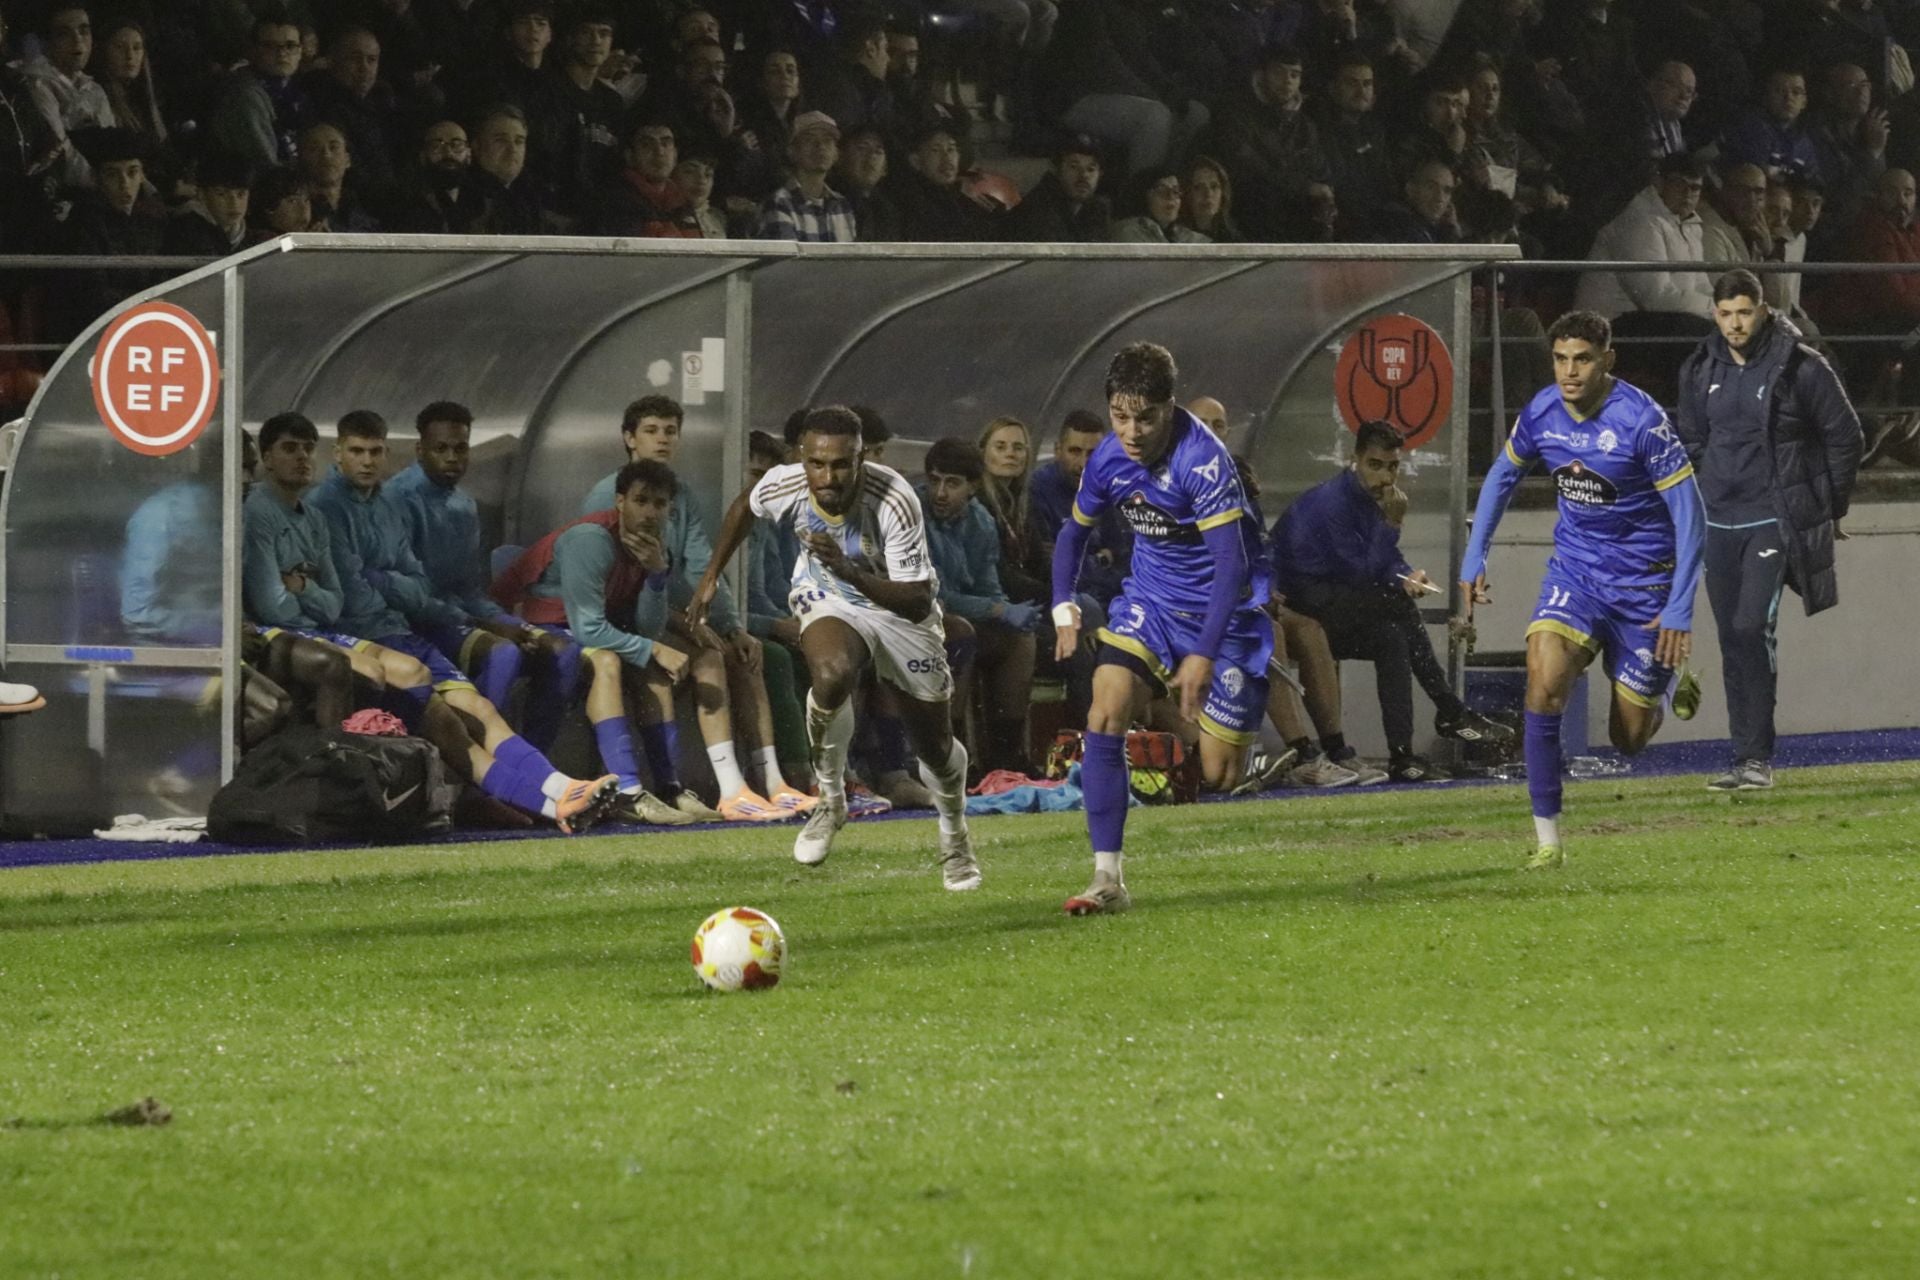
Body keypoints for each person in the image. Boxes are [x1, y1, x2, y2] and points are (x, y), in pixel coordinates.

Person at [244, 411, 618, 832]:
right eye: (356, 451)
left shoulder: (363, 507)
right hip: (356, 635)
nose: (366, 460)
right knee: (451, 709)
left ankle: (560, 789)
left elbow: (360, 594)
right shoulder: (307, 507)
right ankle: (529, 802)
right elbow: (301, 603)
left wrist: (309, 587)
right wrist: (325, 593)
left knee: (478, 708)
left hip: (390, 627)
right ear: (339, 454)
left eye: (374, 451)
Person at [691, 407, 982, 888]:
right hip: (828, 596)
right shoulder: (786, 483)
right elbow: (745, 504)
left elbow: (914, 600)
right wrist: (709, 577)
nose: (828, 476)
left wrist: (851, 572)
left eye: (841, 464)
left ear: (861, 458)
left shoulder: (895, 499)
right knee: (830, 674)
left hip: (897, 610)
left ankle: (955, 838)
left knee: (934, 747)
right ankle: (830, 799)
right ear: (802, 458)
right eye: (817, 464)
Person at [1459, 310, 1707, 869]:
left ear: (1607, 360)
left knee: (1629, 736)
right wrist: (1475, 556)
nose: (1569, 371)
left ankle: (1658, 692)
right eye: (1561, 359)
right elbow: (1502, 474)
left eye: (1583, 359)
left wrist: (1679, 607)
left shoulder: (1642, 420)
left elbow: (1692, 515)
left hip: (1646, 585)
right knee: (1543, 679)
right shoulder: (1542, 412)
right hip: (1577, 573)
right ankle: (1548, 840)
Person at [1048, 343, 1269, 915]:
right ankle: (1107, 878)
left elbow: (1231, 565)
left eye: (1145, 416)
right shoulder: (1107, 457)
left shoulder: (1204, 461)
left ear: (1170, 407)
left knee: (1220, 773)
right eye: (1120, 416)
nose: (1132, 430)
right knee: (1106, 704)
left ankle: (1219, 712)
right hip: (1150, 602)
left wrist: (1203, 653)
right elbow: (1073, 535)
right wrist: (1062, 606)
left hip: (1222, 612)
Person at [495, 462, 801, 823]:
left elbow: (647, 626)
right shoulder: (591, 539)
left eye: (659, 504)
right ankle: (627, 789)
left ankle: (669, 787)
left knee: (652, 669)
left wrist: (657, 576)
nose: (650, 512)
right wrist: (654, 648)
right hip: (535, 625)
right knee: (609, 661)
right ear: (620, 501)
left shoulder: (654, 546)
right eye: (641, 501)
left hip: (587, 630)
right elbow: (588, 628)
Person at [1675, 271, 1862, 792]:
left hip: (1770, 518)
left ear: (1762, 310)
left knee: (1750, 626)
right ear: (1715, 313)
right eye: (1727, 313)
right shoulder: (1698, 368)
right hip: (1717, 519)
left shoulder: (1801, 366)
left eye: (1745, 312)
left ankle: (1756, 759)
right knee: (1732, 637)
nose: (1736, 323)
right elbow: (1689, 437)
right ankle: (1744, 759)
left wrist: (1827, 507)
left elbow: (1845, 436)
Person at [578, 397, 807, 811]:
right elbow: (624, 588)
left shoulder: (681, 493)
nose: (662, 440)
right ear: (629, 438)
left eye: (670, 431)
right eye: (651, 431)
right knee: (708, 657)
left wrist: (731, 625)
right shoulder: (609, 495)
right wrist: (687, 623)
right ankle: (728, 787)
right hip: (624, 623)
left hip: (661, 611)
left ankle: (774, 781)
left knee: (743, 651)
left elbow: (701, 569)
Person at [1273, 421, 1509, 781]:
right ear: (1355, 460)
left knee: (1391, 638)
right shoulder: (1333, 502)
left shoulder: (1372, 498)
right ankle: (1449, 710)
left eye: (1393, 466)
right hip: (1300, 605)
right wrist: (1393, 525)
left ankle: (1403, 757)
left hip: (1333, 604)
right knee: (1394, 605)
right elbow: (1358, 571)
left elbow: (1382, 563)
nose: (1385, 476)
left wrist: (1407, 576)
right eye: (1375, 465)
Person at [387, 401, 582, 752]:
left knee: (563, 651)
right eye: (441, 448)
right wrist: (485, 624)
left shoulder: (464, 504)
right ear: (420, 450)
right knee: (503, 654)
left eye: (460, 448)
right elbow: (410, 597)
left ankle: (531, 762)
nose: (452, 458)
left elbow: (468, 587)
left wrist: (498, 618)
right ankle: (478, 763)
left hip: (461, 614)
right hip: (420, 622)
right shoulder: (399, 499)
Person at [920, 438, 1040, 774]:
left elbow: (988, 586)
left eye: (952, 483)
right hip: (923, 621)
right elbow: (935, 594)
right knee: (963, 633)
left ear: (973, 487)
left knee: (1020, 641)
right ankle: (953, 757)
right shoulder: (913, 513)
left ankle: (1006, 758)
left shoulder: (981, 522)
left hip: (962, 618)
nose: (940, 493)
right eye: (934, 481)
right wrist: (999, 610)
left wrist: (1007, 612)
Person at [757, 111, 857, 242]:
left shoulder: (842, 205)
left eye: (827, 141)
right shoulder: (779, 203)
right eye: (809, 139)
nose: (820, 146)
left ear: (836, 154)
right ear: (792, 151)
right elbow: (786, 261)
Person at [1001, 134, 1108, 243]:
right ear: (1057, 170)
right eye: (1074, 167)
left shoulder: (1095, 209)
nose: (1084, 175)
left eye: (1091, 169)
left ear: (1100, 174)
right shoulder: (1039, 206)